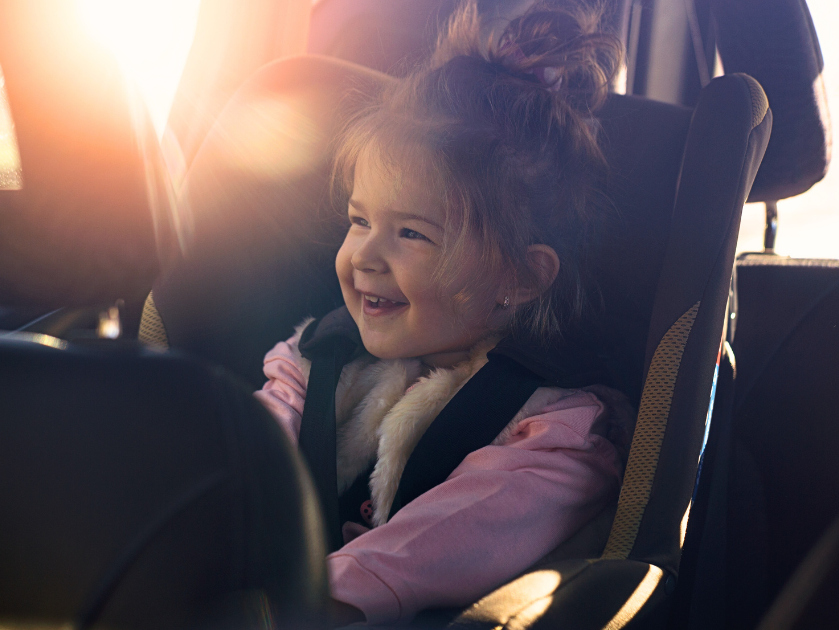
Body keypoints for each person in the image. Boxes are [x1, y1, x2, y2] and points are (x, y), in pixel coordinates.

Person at [254, 1, 628, 624]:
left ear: (520, 275)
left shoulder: (554, 439)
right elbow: (245, 460)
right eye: (360, 220)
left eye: (412, 235)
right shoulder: (316, 361)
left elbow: (409, 559)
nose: (365, 256)